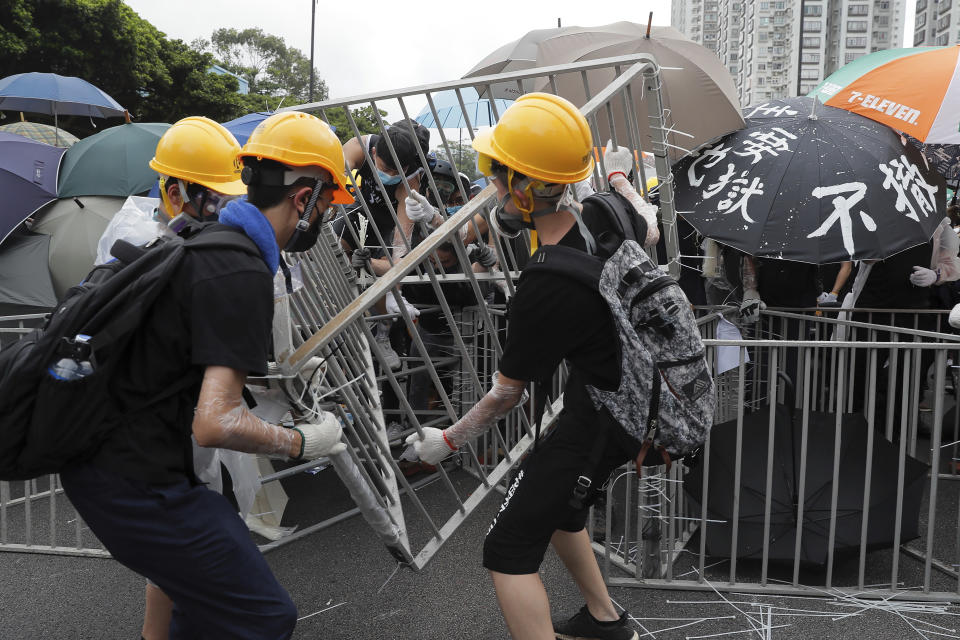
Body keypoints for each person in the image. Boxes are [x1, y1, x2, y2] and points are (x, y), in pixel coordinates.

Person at [59, 110, 352, 640]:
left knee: (197, 607)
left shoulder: (206, 245)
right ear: (305, 199)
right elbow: (215, 422)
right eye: (328, 203)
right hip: (134, 478)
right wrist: (302, 440)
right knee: (263, 616)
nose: (325, 217)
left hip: (120, 464)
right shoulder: (239, 268)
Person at [406, 93, 657, 640]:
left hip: (603, 418)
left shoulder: (546, 286)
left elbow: (504, 396)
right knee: (563, 513)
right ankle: (604, 620)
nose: (491, 191)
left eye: (496, 178)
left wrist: (446, 442)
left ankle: (600, 621)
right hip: (624, 401)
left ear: (521, 187)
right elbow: (652, 231)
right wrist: (618, 179)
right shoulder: (607, 213)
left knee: (508, 548)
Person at [107, 115, 250, 640]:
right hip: (152, 435)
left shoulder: (177, 236)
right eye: (211, 199)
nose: (221, 211)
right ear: (174, 192)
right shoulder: (138, 239)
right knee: (199, 564)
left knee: (176, 565)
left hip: (175, 428)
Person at [335, 120, 431, 369]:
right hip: (359, 211)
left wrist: (374, 267)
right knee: (337, 242)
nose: (389, 175)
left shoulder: (410, 181)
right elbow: (333, 177)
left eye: (396, 171)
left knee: (390, 279)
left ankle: (382, 334)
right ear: (375, 153)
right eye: (386, 168)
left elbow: (401, 255)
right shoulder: (358, 147)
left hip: (391, 224)